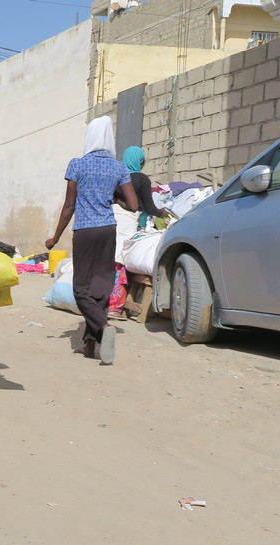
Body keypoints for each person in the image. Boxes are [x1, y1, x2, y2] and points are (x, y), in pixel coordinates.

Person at [45, 116, 138, 365]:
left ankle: (104, 326)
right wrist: (114, 198)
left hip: (85, 231)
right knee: (100, 287)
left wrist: (55, 237)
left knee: (81, 289)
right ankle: (89, 345)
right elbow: (133, 205)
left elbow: (69, 206)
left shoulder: (77, 164)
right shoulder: (119, 168)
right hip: (107, 230)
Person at [121, 146, 168, 230]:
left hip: (117, 222)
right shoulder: (142, 179)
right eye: (142, 161)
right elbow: (150, 208)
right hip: (135, 224)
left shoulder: (117, 178)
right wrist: (161, 213)